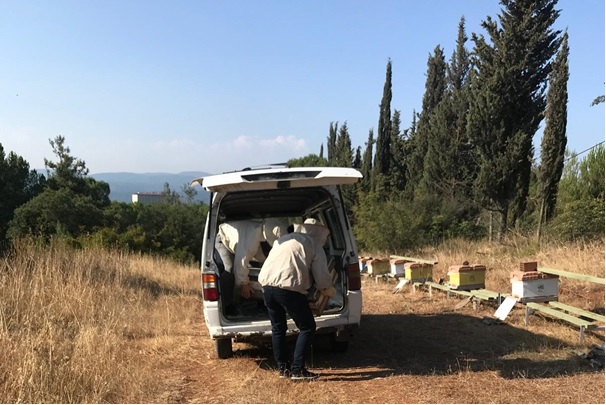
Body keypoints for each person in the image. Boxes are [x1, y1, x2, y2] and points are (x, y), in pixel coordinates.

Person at [258, 218, 336, 380]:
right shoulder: (315, 245)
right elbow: (322, 281)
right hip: (288, 289)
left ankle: (283, 369)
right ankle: (297, 370)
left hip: (266, 287)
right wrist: (330, 291)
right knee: (307, 326)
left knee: (278, 328)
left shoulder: (285, 239)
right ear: (320, 232)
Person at [215, 218, 286, 315]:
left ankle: (261, 301)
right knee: (230, 268)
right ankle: (228, 305)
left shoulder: (266, 236)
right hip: (224, 238)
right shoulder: (251, 239)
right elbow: (240, 262)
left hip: (241, 241)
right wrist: (244, 284)